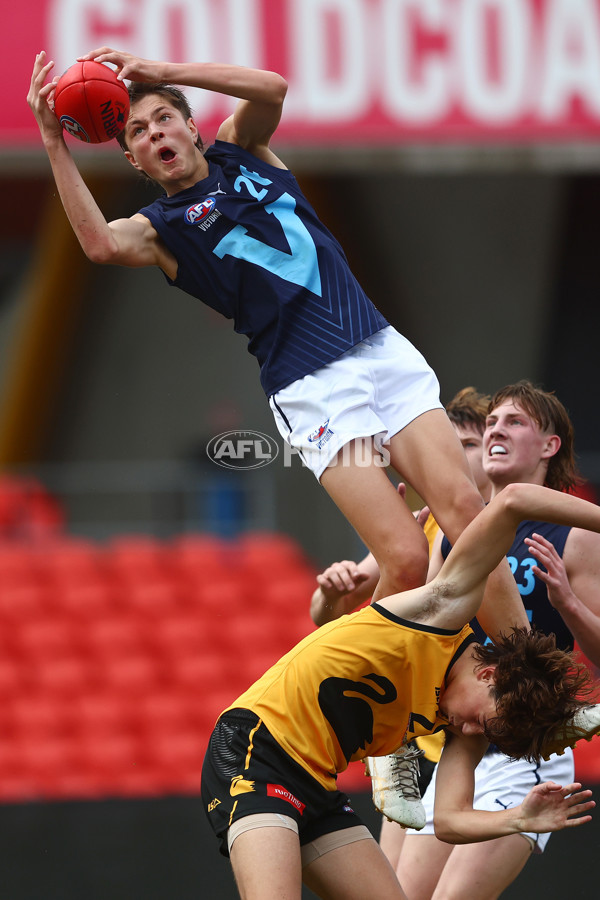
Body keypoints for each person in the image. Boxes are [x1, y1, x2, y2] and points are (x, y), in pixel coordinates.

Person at [27, 49, 524, 633]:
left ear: (192, 127)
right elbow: (99, 246)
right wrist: (54, 142)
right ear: (135, 159)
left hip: (381, 350)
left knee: (467, 511)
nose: (154, 132)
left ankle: (533, 677)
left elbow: (272, 86)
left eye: (164, 117)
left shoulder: (242, 149)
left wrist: (165, 73)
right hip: (314, 388)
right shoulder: (160, 230)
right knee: (407, 561)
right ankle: (369, 703)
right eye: (137, 131)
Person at [201, 482, 600, 900]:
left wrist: (518, 818)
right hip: (257, 753)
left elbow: (447, 820)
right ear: (489, 677)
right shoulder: (441, 612)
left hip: (317, 783)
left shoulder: (467, 727)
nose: (468, 731)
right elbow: (514, 500)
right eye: (480, 720)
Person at [396, 381, 600, 900]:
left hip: (526, 746)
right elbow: (429, 634)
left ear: (549, 447)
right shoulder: (451, 533)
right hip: (463, 738)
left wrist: (569, 606)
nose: (495, 431)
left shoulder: (575, 538)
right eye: (491, 423)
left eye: (514, 422)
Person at [309, 386, 492, 856]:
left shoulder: (506, 528)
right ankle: (390, 758)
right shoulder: (420, 522)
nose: (450, 458)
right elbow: (323, 618)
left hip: (474, 736)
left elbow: (443, 605)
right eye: (447, 446)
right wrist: (332, 593)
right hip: (417, 738)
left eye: (467, 447)